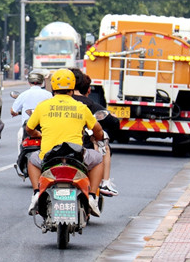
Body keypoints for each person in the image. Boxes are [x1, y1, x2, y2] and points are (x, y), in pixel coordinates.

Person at [25, 68, 105, 217]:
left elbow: (29, 128)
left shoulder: (43, 106)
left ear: (53, 86)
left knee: (32, 159)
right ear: (72, 87)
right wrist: (98, 138)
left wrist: (38, 134)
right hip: (76, 156)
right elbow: (98, 130)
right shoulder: (81, 107)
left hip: (48, 156)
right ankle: (93, 196)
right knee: (99, 159)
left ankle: (36, 193)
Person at [70, 68, 119, 197]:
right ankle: (100, 187)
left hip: (52, 151)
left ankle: (37, 193)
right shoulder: (85, 107)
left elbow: (32, 128)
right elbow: (111, 124)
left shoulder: (49, 104)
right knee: (101, 151)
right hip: (80, 151)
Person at [10, 70, 52, 153]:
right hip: (44, 128)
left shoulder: (24, 94)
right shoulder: (48, 95)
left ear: (29, 82)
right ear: (42, 82)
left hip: (27, 129)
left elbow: (13, 110)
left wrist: (16, 113)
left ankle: (19, 160)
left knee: (20, 136)